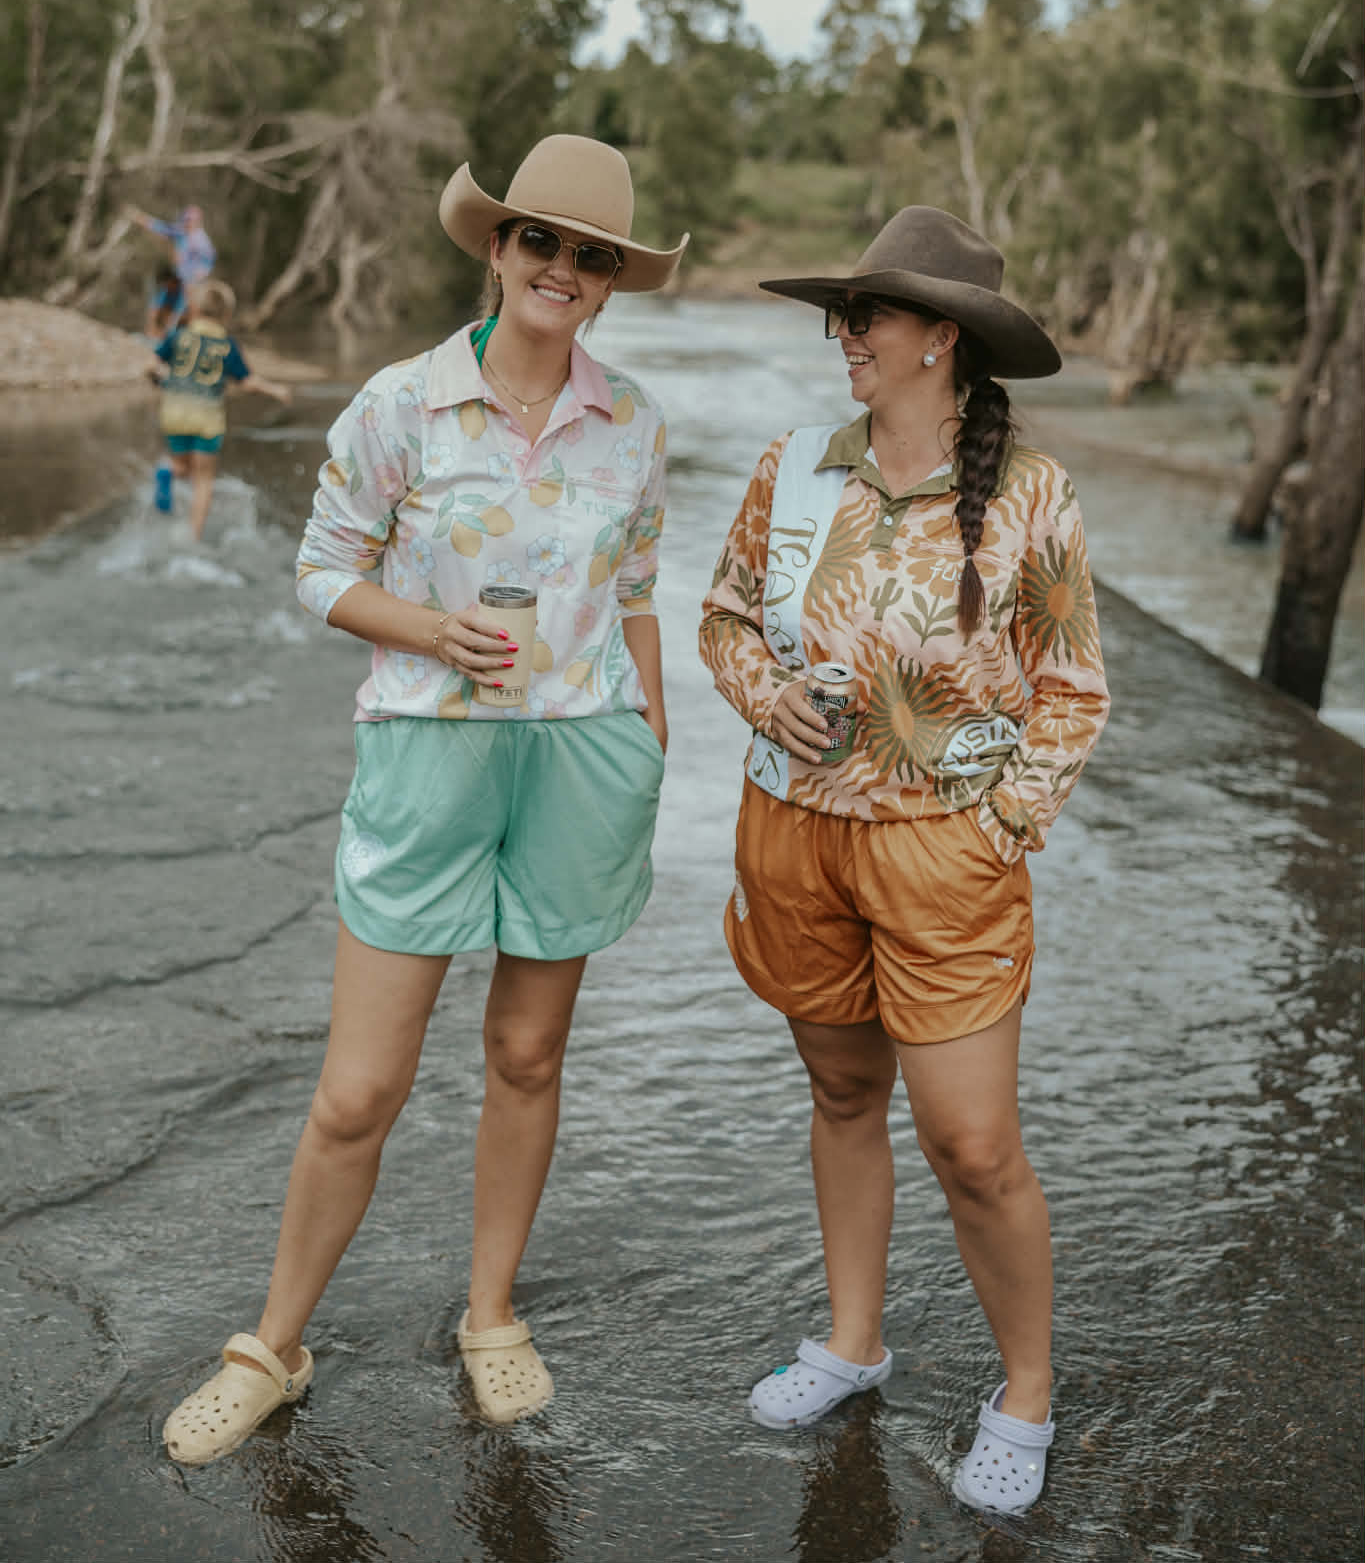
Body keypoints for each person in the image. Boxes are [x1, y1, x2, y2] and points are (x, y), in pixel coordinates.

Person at [161, 134, 687, 1464]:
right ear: (497, 248)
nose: (559, 267)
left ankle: (492, 1311)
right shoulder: (402, 403)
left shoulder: (635, 425)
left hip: (579, 763)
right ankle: (271, 1344)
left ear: (613, 279)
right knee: (359, 1088)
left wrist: (650, 742)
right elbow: (320, 568)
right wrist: (433, 629)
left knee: (526, 1056)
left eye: (588, 253)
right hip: (427, 750)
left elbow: (631, 595)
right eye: (538, 241)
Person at [698, 207, 1109, 1515]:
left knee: (973, 1140)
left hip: (947, 858)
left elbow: (1072, 690)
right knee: (837, 1091)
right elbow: (719, 620)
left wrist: (996, 824)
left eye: (864, 316)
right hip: (796, 835)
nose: (842, 337)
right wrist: (763, 696)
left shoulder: (1032, 495)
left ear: (940, 337)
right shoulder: (794, 465)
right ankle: (853, 1338)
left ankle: (1026, 1386)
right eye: (840, 314)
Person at [148, 278, 290, 540]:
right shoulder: (227, 344)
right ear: (226, 314)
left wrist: (159, 377)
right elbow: (247, 382)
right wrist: (276, 390)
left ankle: (167, 470)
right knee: (203, 480)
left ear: (193, 309)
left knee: (182, 466)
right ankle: (194, 537)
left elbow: (154, 363)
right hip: (207, 418)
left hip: (174, 412)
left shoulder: (179, 336)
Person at [129, 202, 217, 291]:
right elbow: (162, 227)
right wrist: (140, 217)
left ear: (198, 222)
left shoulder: (202, 242)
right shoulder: (180, 232)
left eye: (191, 220)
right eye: (186, 220)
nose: (188, 223)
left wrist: (195, 277)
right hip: (176, 277)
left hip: (190, 283)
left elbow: (208, 263)